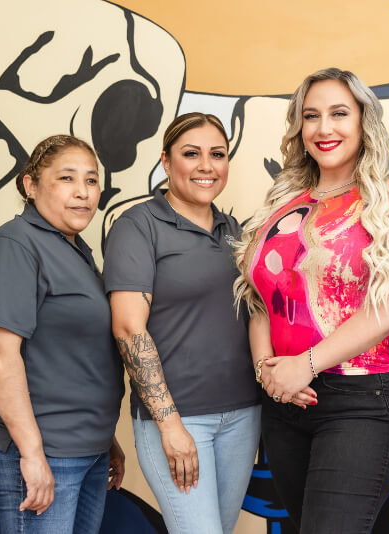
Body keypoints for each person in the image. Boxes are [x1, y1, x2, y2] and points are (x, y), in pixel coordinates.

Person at [233, 67, 389, 533]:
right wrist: (268, 371)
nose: (324, 128)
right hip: (287, 399)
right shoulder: (281, 205)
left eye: (339, 113)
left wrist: (307, 363)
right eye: (311, 116)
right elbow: (261, 299)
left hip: (365, 400)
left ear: (364, 122)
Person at [104, 112, 261, 534]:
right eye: (191, 154)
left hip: (243, 415)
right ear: (166, 161)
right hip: (178, 418)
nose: (206, 166)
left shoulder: (236, 232)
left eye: (217, 154)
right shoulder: (139, 226)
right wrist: (170, 426)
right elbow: (128, 329)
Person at [0, 135, 125, 534]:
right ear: (30, 185)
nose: (83, 193)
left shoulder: (76, 250)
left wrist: (105, 439)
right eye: (67, 179)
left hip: (88, 450)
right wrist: (32, 453)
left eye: (92, 181)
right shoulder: (15, 244)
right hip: (46, 452)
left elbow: (75, 354)